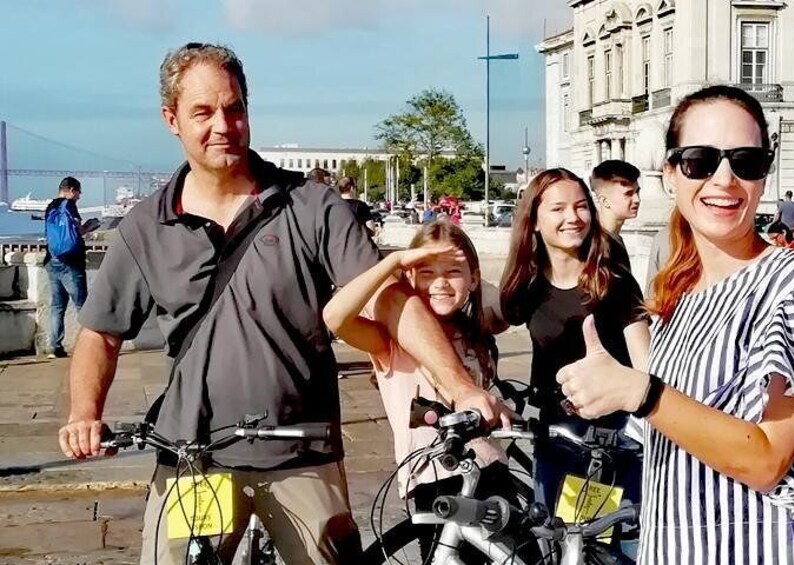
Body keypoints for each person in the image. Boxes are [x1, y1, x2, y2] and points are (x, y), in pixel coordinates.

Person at [56, 42, 507, 565]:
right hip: (192, 457)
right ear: (171, 119)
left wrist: (461, 387)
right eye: (202, 112)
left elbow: (391, 299)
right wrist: (84, 414)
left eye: (234, 108)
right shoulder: (145, 226)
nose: (222, 125)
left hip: (300, 452)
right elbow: (100, 333)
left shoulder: (311, 207)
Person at [556, 85, 794, 564]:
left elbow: (766, 459)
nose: (725, 179)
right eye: (701, 161)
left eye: (746, 161)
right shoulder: (678, 296)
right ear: (670, 175)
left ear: (764, 175)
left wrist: (640, 393)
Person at [499, 167, 651, 556]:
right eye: (559, 209)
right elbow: (485, 320)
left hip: (608, 440)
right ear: (533, 220)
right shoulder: (526, 285)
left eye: (582, 207)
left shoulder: (612, 282)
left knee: (602, 550)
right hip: (554, 436)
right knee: (556, 546)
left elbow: (646, 364)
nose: (573, 218)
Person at [324, 219, 511, 513]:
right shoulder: (394, 343)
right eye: (426, 273)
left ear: (474, 278)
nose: (440, 283)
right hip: (432, 478)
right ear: (410, 278)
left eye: (453, 272)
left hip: (491, 470)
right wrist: (394, 262)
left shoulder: (476, 333)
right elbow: (335, 317)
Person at [43, 176, 93, 359]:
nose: (79, 197)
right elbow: (77, 231)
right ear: (71, 190)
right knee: (84, 306)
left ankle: (55, 347)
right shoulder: (69, 205)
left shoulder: (51, 207)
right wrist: (89, 227)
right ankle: (88, 347)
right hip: (71, 262)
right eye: (78, 193)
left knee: (57, 306)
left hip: (52, 261)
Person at [589, 159, 642, 271]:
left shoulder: (613, 239)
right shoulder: (596, 247)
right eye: (628, 194)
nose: (637, 199)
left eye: (637, 191)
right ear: (604, 201)